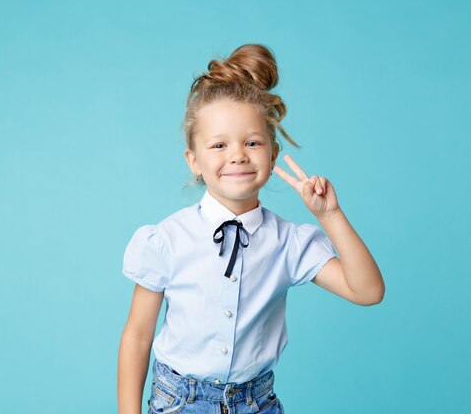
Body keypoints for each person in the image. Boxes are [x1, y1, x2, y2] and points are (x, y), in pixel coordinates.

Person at [117, 43, 385, 414]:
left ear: (272, 155)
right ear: (194, 161)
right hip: (179, 403)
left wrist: (330, 215)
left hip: (256, 403)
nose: (238, 154)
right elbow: (138, 334)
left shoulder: (289, 242)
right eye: (219, 145)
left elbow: (368, 291)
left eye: (253, 142)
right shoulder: (166, 240)